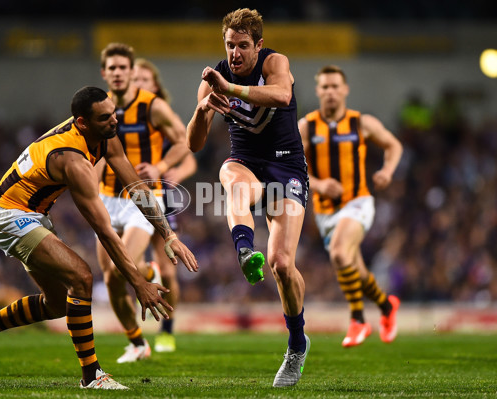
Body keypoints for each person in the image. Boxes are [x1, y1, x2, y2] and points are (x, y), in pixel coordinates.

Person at [0, 86, 198, 390]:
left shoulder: (103, 135)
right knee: (82, 277)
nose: (114, 122)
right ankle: (92, 376)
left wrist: (168, 235)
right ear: (82, 123)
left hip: (32, 213)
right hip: (9, 216)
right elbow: (104, 230)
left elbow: (137, 187)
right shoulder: (72, 160)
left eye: (113, 114)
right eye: (104, 118)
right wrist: (139, 284)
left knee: (57, 305)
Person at [186, 8, 310, 387]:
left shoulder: (275, 62)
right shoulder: (212, 80)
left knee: (282, 265)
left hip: (287, 169)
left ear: (257, 45)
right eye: (229, 45)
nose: (235, 53)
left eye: (243, 45)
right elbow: (194, 144)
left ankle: (296, 344)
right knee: (230, 177)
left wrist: (231, 90)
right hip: (247, 163)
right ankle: (243, 249)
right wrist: (204, 108)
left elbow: (281, 94)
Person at [97, 43, 191, 363]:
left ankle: (164, 328)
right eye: (113, 68)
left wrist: (161, 168)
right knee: (110, 277)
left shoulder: (152, 106)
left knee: (115, 270)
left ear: (132, 71)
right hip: (106, 197)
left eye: (124, 68)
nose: (119, 73)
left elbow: (183, 141)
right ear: (104, 73)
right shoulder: (97, 107)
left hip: (143, 198)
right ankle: (137, 341)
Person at [298, 65, 403, 348]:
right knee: (355, 268)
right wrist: (318, 185)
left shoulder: (361, 123)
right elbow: (292, 166)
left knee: (340, 255)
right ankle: (386, 306)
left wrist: (387, 171)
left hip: (358, 201)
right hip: (325, 211)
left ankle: (358, 320)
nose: (331, 92)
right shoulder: (306, 127)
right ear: (318, 91)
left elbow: (393, 146)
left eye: (335, 86)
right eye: (325, 87)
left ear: (345, 90)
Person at [133, 57, 198, 353]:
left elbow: (189, 157)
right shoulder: (117, 116)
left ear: (155, 85)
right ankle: (147, 274)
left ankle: (167, 330)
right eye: (135, 79)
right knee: (128, 262)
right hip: (123, 197)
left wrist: (173, 171)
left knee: (170, 271)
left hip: (160, 197)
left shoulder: (160, 115)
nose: (138, 84)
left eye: (144, 80)